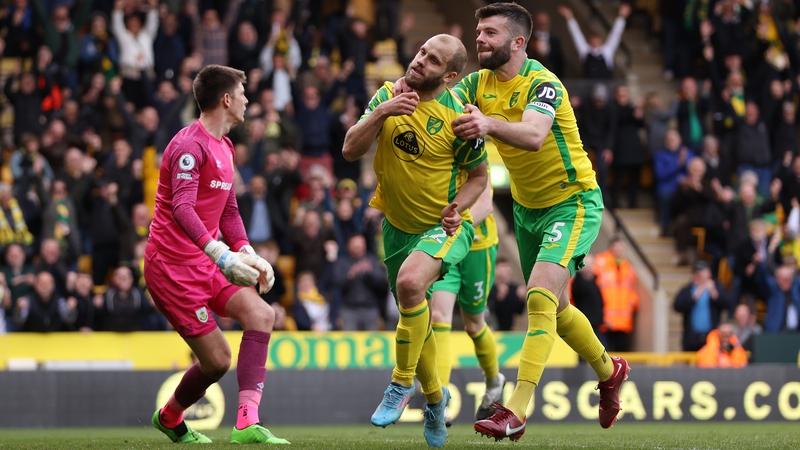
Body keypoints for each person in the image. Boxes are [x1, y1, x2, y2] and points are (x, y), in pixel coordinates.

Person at [399, 3, 628, 440]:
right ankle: (609, 370)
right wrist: (399, 92)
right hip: (526, 210)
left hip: (573, 202)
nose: (479, 39)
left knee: (539, 295)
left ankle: (516, 408)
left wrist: (486, 123)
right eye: (478, 31)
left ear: (518, 42)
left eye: (489, 33)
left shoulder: (542, 83)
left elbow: (535, 135)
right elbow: (440, 99)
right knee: (557, 311)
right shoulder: (477, 82)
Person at [343, 34, 488, 448]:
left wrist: (457, 207)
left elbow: (479, 177)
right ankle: (436, 401)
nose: (420, 60)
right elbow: (350, 148)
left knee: (410, 286)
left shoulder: (460, 118)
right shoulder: (388, 95)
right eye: (421, 51)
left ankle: (399, 385)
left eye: (433, 59)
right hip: (397, 231)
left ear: (451, 75)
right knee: (417, 324)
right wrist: (384, 110)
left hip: (443, 229)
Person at [144, 65, 288, 445]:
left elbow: (228, 211)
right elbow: (183, 208)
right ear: (226, 99)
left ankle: (247, 422)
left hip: (206, 260)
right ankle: (170, 415)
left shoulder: (224, 146)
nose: (247, 100)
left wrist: (247, 252)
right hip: (172, 268)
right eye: (243, 93)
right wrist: (221, 256)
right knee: (217, 361)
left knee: (262, 313)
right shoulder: (188, 146)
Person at [430, 181, 505, 425]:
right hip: (445, 244)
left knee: (473, 324)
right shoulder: (433, 155)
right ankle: (440, 402)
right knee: (438, 318)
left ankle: (494, 381)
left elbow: (485, 205)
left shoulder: (474, 151)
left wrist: (457, 225)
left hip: (477, 247)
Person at [673, 260, 733, 351]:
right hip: (691, 338)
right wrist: (695, 296)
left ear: (709, 273)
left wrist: (715, 294)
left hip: (712, 338)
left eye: (702, 272)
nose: (699, 275)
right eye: (696, 273)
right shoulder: (687, 290)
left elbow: (729, 304)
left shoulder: (717, 287)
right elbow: (677, 306)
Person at [593, 236, 639, 352]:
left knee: (620, 355)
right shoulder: (600, 263)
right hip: (605, 319)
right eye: (617, 247)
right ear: (611, 247)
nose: (619, 250)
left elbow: (632, 289)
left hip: (623, 320)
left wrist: (633, 303)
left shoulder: (628, 267)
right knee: (604, 355)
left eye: (622, 247)